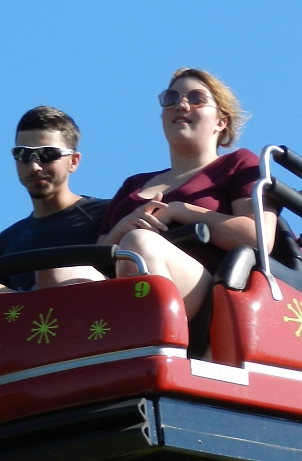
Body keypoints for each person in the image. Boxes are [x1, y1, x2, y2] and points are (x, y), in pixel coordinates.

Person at [96, 68, 277, 319]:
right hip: (120, 290)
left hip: (209, 292)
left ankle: (154, 340)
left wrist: (182, 211)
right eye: (171, 98)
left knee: (140, 243)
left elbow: (259, 238)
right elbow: (96, 255)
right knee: (59, 272)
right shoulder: (134, 185)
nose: (181, 105)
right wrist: (123, 228)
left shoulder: (238, 164)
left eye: (196, 99)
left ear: (220, 122)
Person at [0, 106, 109, 291]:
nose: (35, 166)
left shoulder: (105, 215)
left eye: (47, 155)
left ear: (74, 161)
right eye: (23, 155)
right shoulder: (9, 240)